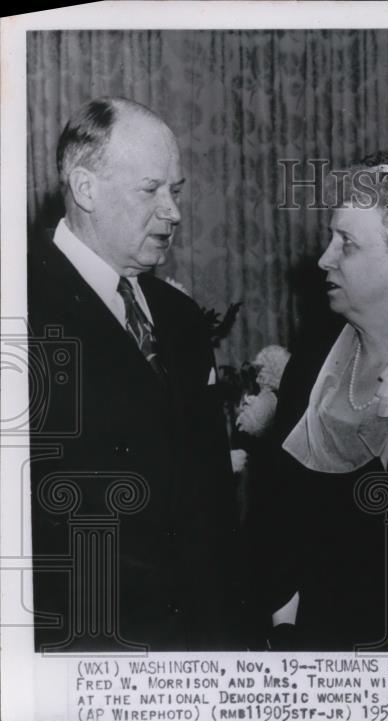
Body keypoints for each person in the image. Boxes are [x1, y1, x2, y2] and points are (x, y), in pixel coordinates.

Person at [28, 97, 242, 651]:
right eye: (152, 190)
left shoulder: (181, 320)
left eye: (177, 190)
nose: (172, 212)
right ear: (85, 188)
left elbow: (213, 503)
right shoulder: (20, 309)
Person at [258, 160, 388, 650]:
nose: (324, 260)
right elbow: (276, 517)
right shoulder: (312, 364)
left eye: (346, 244)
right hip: (310, 642)